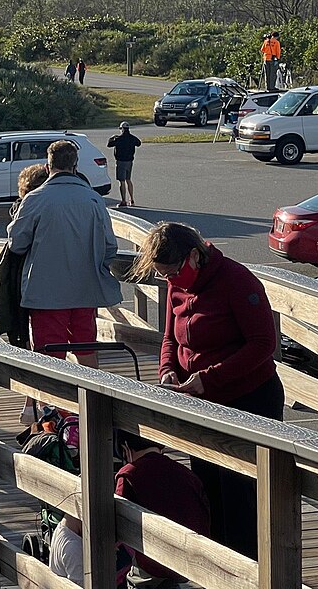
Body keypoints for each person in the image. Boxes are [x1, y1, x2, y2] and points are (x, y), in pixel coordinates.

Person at [131, 222, 283, 559]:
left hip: (249, 399)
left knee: (242, 498)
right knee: (209, 492)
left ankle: (251, 572)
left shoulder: (237, 280)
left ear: (195, 256)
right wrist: (168, 370)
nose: (169, 280)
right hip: (201, 401)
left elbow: (263, 345)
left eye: (172, 272)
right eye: (163, 274)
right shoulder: (175, 286)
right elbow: (170, 337)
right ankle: (216, 570)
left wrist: (208, 379)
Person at [6, 140, 122, 370]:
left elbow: (16, 244)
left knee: (50, 357)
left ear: (48, 167)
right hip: (85, 291)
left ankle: (51, 404)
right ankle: (91, 401)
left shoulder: (36, 199)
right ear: (75, 166)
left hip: (46, 293)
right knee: (86, 349)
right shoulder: (94, 200)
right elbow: (109, 246)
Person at [115, 430, 210, 588]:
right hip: (192, 565)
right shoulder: (188, 475)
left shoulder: (128, 475)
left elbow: (117, 525)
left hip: (153, 568)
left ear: (126, 449)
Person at [0, 164, 50, 424]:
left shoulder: (21, 209)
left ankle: (31, 404)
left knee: (28, 345)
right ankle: (39, 404)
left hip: (18, 287)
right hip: (37, 285)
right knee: (41, 347)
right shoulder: (41, 207)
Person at [107, 122, 141, 207]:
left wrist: (112, 138)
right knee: (128, 180)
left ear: (121, 129)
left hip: (121, 161)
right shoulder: (132, 138)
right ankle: (131, 199)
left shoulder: (118, 139)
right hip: (129, 162)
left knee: (122, 181)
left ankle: (123, 201)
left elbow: (109, 144)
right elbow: (139, 143)